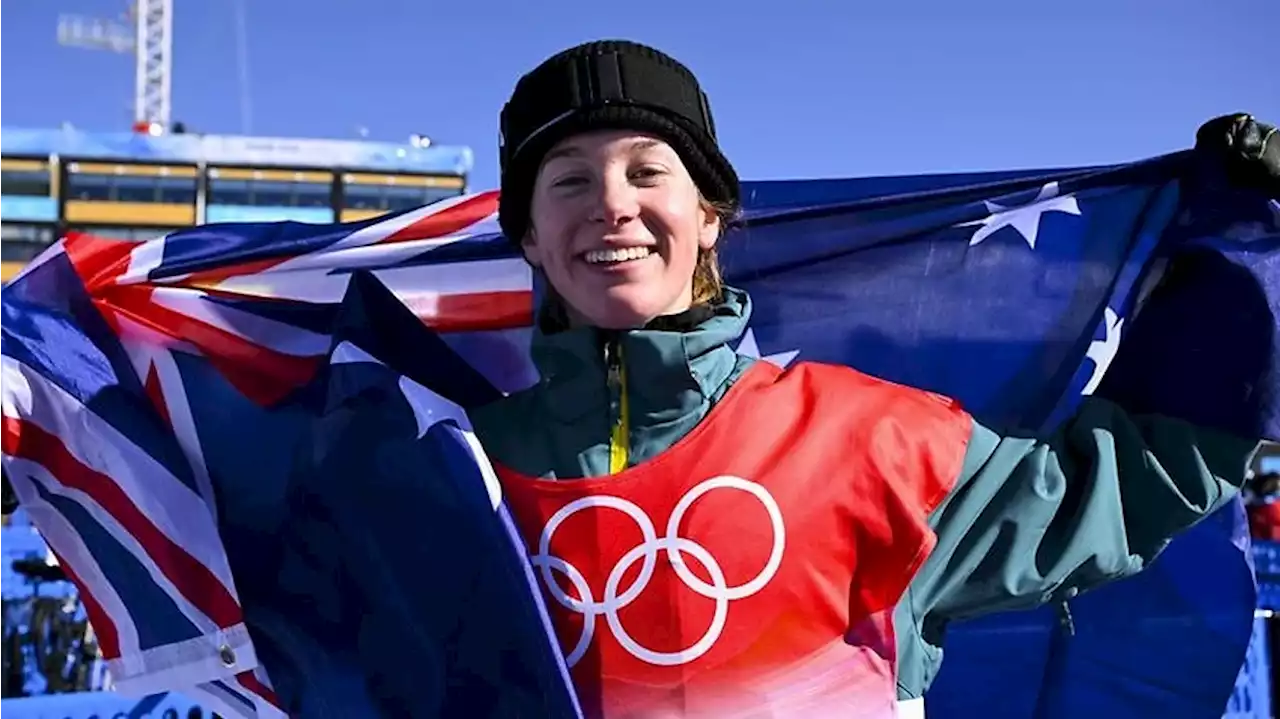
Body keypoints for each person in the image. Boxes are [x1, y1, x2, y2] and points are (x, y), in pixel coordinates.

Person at [466, 39, 1278, 719]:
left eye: (648, 172)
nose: (611, 204)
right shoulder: (461, 475)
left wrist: (1248, 257)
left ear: (709, 215)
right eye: (570, 179)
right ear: (530, 235)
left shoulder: (865, 443)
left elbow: (1107, 494)